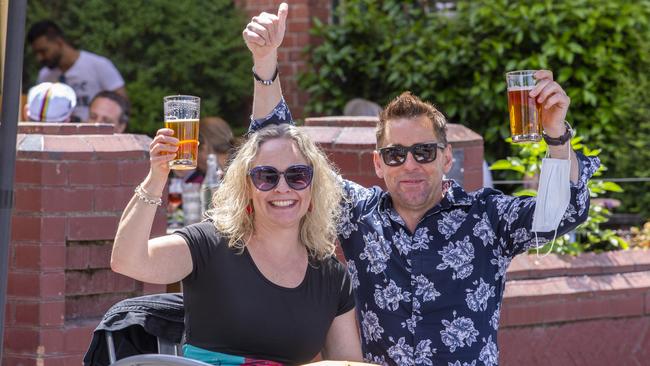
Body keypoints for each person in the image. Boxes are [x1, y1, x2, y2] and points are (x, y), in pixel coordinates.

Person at [243, 3, 600, 365]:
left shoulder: (486, 217)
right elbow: (275, 144)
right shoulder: (357, 212)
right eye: (396, 154)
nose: (410, 164)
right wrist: (265, 60)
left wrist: (556, 134)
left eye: (424, 152)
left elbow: (562, 212)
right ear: (378, 164)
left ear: (447, 159)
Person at [110, 120, 363, 362]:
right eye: (267, 176)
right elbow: (127, 261)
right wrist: (157, 178)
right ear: (247, 187)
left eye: (297, 175)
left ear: (313, 186)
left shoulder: (330, 276)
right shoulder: (210, 244)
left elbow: (348, 363)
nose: (282, 188)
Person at [27, 20, 127, 122]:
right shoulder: (45, 76)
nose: (39, 58)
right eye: (36, 53)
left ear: (59, 42)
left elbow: (121, 103)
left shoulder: (98, 65)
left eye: (43, 51)